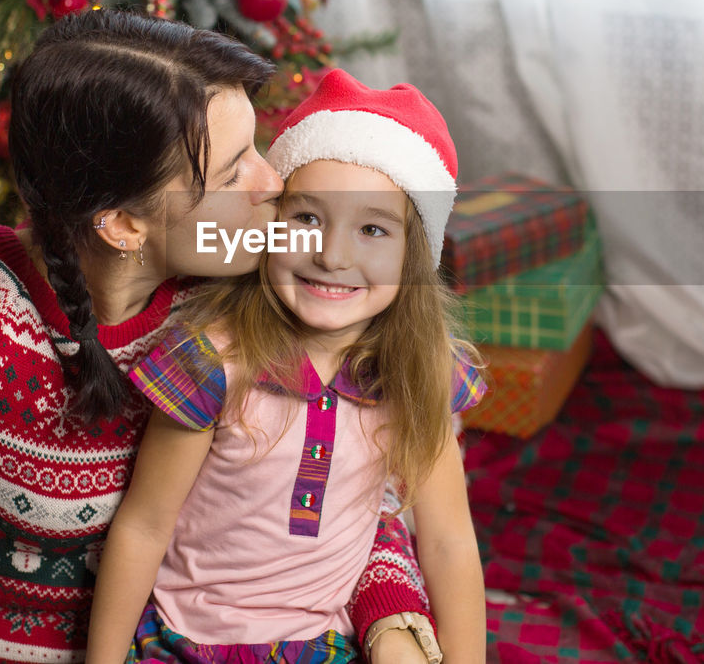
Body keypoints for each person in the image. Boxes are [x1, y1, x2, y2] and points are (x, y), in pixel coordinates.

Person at [0, 11, 441, 663]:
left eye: (259, 147)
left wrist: (393, 621)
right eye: (233, 169)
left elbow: (344, 490)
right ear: (123, 224)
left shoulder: (245, 302)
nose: (272, 182)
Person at [86, 69, 488, 664]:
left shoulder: (416, 374)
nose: (331, 254)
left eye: (373, 229)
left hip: (320, 647)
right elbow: (144, 526)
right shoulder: (212, 361)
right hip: (185, 642)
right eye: (307, 219)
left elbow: (449, 541)